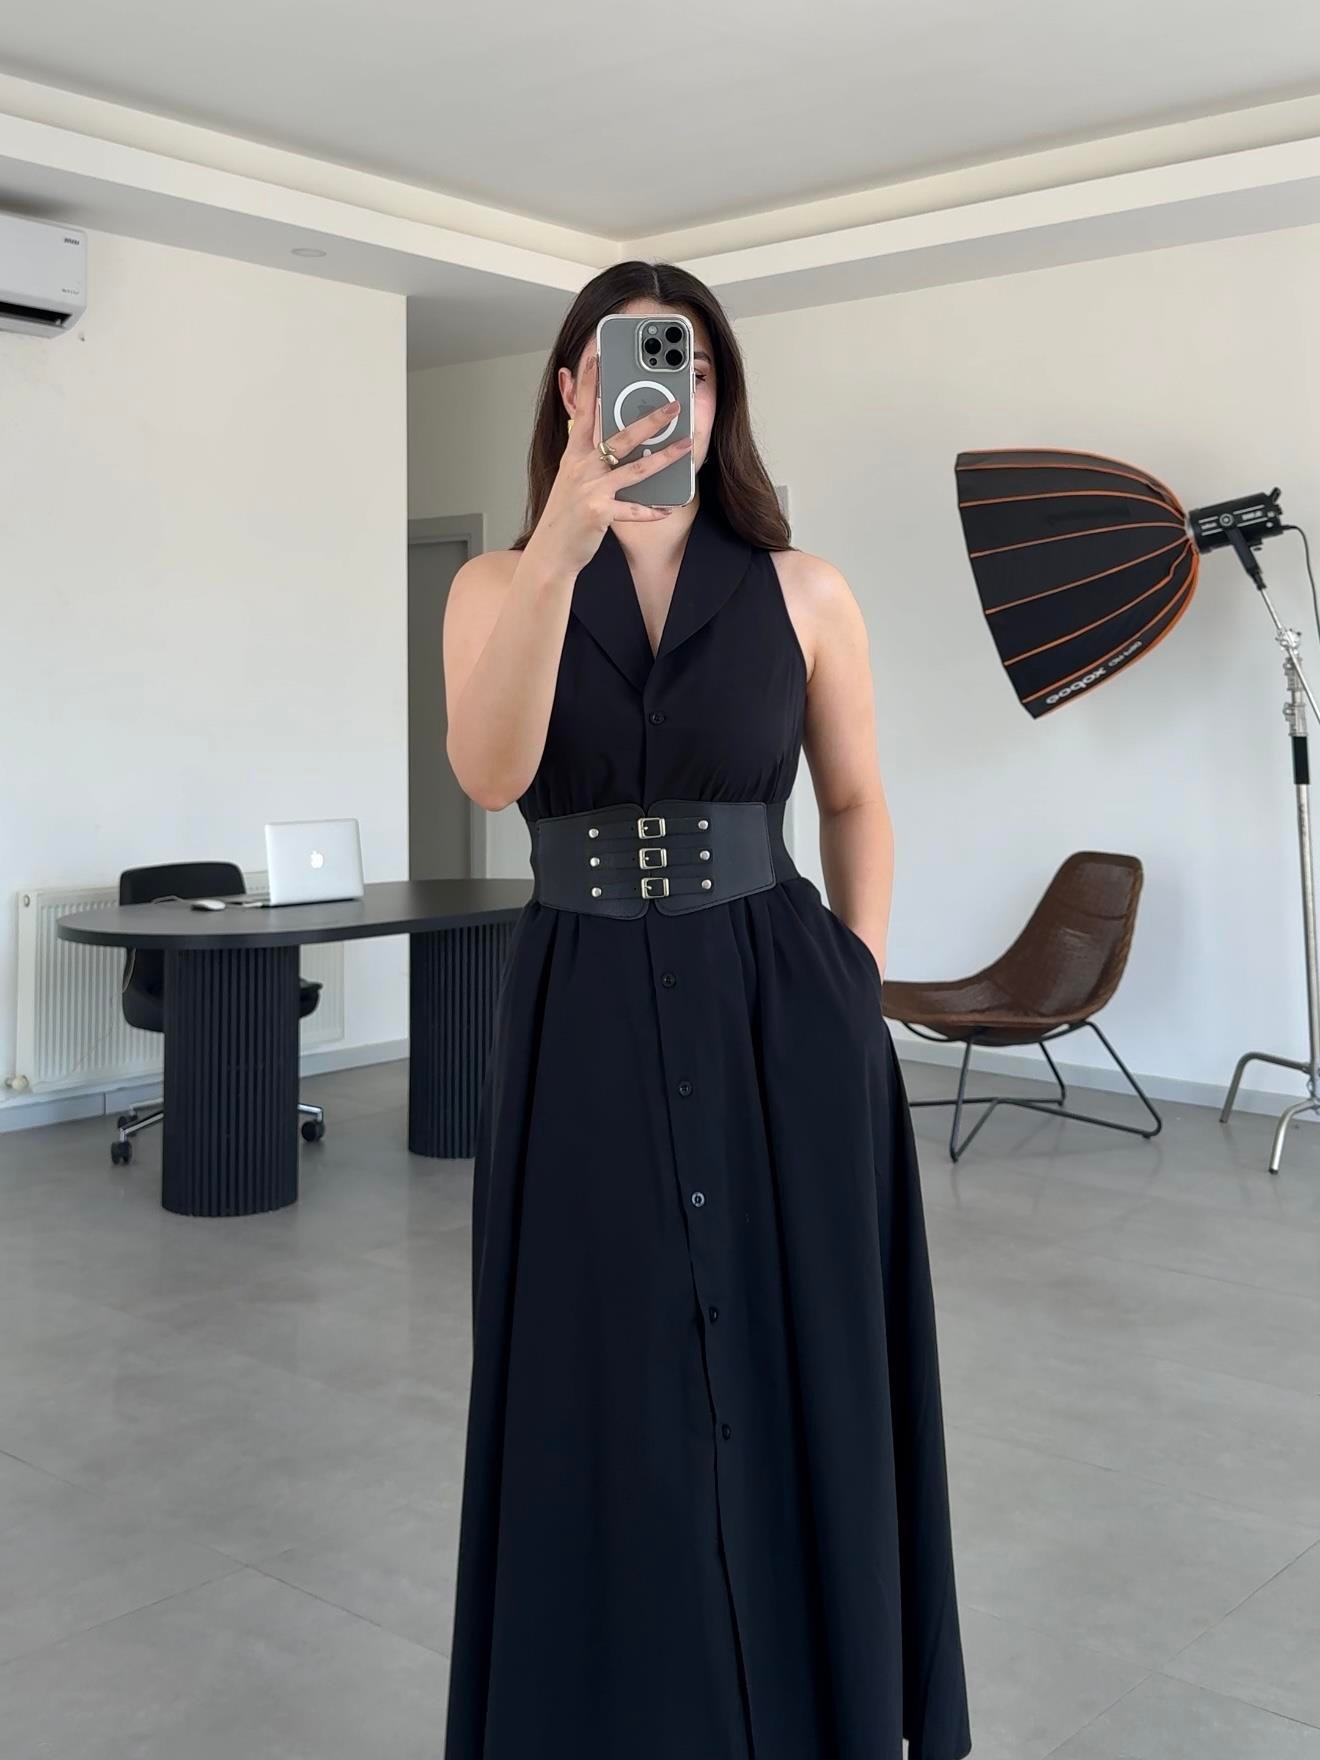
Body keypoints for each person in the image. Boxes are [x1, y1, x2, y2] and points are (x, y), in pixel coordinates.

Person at [440, 258, 972, 1760]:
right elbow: (489, 773)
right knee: (598, 1377)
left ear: (719, 396)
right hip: (581, 1012)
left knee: (808, 1370)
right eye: (623, 363)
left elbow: (856, 799)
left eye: (692, 366)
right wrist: (559, 550)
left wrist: (854, 986)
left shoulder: (806, 589)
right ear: (571, 389)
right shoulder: (495, 587)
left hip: (781, 1014)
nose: (659, 393)